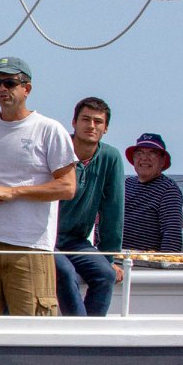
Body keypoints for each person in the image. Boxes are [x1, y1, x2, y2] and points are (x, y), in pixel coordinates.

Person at [0, 56, 77, 316]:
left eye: (9, 83)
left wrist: (14, 192)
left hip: (30, 247)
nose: (2, 89)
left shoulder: (49, 130)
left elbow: (67, 187)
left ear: (26, 88)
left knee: (32, 329)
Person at [54, 98, 125, 316]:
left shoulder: (110, 157)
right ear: (74, 122)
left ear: (106, 128)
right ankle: (80, 331)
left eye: (98, 121)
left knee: (105, 274)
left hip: (76, 241)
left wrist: (109, 257)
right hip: (44, 239)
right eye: (85, 119)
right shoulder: (55, 150)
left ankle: (93, 329)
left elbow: (113, 212)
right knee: (66, 272)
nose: (91, 126)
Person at [122, 133, 183, 253]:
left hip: (140, 259)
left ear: (162, 160)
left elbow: (172, 237)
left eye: (152, 153)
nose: (144, 158)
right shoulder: (126, 184)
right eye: (139, 153)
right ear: (133, 159)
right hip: (110, 253)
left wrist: (163, 262)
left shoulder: (168, 190)